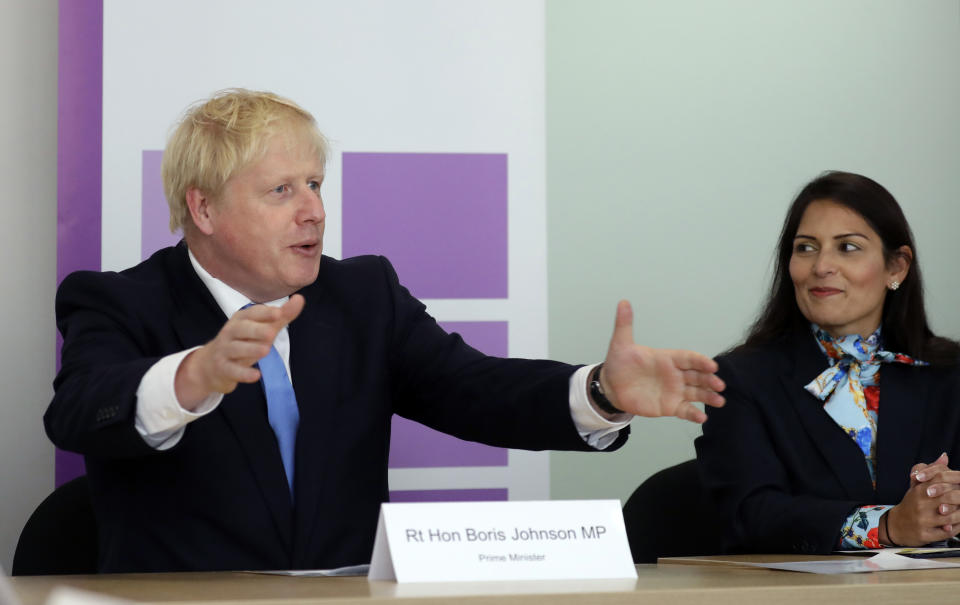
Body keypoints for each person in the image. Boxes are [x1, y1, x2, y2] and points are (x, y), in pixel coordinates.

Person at [45, 89, 725, 573]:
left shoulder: (360, 295)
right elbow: (78, 411)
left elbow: (475, 387)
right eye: (282, 190)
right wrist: (193, 376)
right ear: (205, 208)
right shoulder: (117, 300)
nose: (314, 210)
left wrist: (602, 391)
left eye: (315, 183)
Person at [696, 171, 960, 555]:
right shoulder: (740, 379)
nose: (821, 266)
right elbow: (748, 514)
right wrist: (885, 526)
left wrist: (948, 501)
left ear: (896, 268)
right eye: (806, 248)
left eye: (847, 247)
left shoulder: (950, 374)